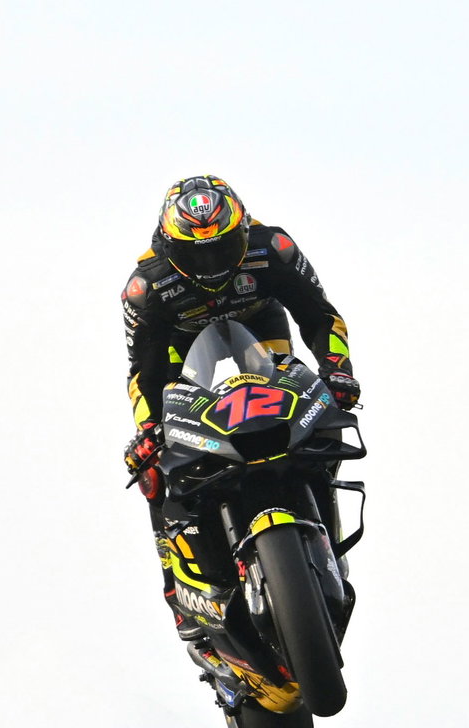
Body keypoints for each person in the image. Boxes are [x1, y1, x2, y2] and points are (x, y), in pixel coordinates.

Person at [121, 175, 361, 640]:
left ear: (243, 230)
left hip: (259, 328)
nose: (210, 263)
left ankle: (319, 505)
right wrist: (149, 429)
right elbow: (142, 374)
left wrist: (338, 371)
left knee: (312, 405)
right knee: (157, 465)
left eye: (222, 246)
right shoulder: (145, 286)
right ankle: (178, 587)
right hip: (182, 349)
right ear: (171, 247)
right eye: (196, 253)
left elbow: (320, 315)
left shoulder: (275, 247)